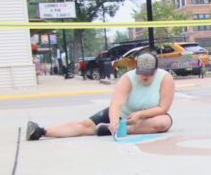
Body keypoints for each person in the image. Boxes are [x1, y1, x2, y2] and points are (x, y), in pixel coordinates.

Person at [26, 52, 175, 140]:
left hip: (148, 117)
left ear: (156, 70)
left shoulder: (165, 78)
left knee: (163, 122)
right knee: (86, 125)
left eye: (149, 74)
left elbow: (163, 107)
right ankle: (42, 131)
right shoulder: (128, 78)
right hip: (124, 114)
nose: (144, 77)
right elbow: (116, 104)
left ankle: (113, 130)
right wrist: (115, 121)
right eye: (141, 73)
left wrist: (140, 115)